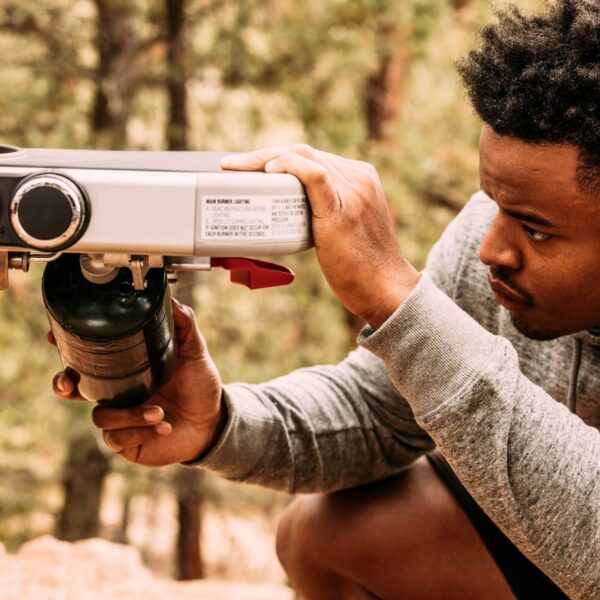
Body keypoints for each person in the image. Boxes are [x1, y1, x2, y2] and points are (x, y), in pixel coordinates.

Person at [53, 1, 599, 598]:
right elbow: (379, 411)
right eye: (488, 200)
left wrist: (398, 300)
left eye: (536, 228)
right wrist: (220, 425)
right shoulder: (492, 234)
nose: (492, 248)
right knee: (323, 536)